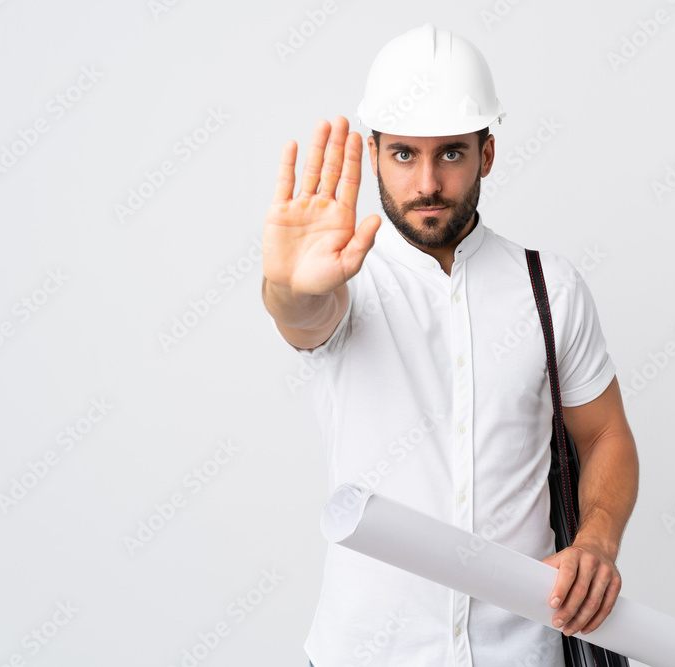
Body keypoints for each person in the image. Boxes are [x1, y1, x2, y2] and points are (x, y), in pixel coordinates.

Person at [262, 23, 639, 667]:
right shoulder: (346, 280)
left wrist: (598, 542)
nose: (428, 183)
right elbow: (302, 315)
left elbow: (605, 434)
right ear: (375, 152)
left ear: (486, 154)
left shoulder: (549, 286)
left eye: (451, 154)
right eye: (404, 154)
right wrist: (289, 287)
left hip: (523, 651)